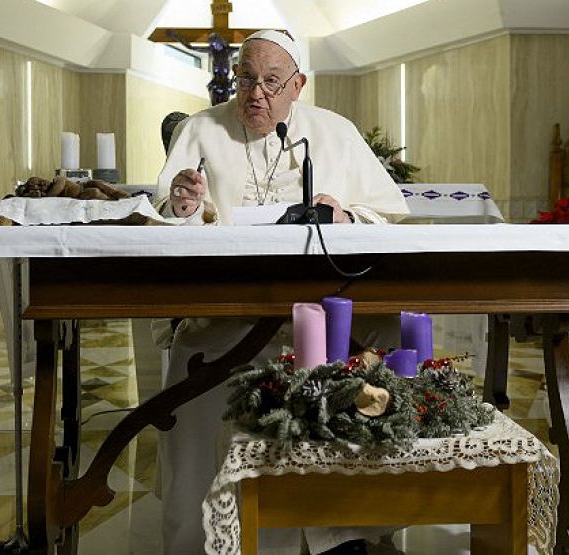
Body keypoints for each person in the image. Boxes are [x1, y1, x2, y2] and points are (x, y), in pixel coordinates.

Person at [154, 30, 409, 555]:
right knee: (191, 364)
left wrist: (344, 215)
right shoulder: (201, 128)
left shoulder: (333, 131)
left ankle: (335, 539)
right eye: (246, 79)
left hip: (319, 321)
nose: (255, 94)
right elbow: (165, 218)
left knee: (356, 368)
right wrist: (182, 206)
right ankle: (207, 540)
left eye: (271, 82)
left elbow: (385, 216)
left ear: (299, 85)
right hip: (225, 318)